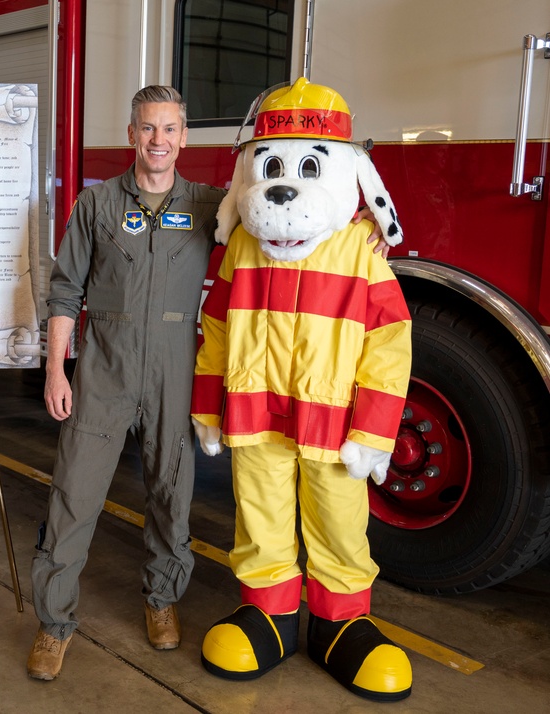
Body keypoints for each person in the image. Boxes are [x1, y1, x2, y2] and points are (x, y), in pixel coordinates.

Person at [27, 85, 387, 681]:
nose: (158, 141)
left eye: (169, 129)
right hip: (104, 371)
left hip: (174, 370)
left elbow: (285, 220)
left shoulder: (211, 206)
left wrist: (361, 216)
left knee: (172, 495)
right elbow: (66, 289)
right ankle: (54, 624)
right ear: (131, 134)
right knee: (73, 497)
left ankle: (162, 601)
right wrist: (55, 369)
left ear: (184, 138)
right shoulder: (96, 207)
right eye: (147, 128)